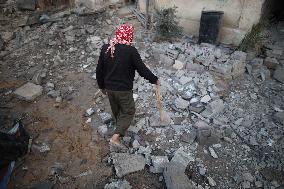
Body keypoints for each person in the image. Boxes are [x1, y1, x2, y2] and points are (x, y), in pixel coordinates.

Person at [96, 24, 159, 145]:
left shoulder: (106, 48)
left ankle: (118, 126)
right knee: (129, 111)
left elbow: (99, 70)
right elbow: (142, 69)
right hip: (124, 89)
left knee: (117, 110)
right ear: (129, 35)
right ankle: (115, 137)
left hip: (109, 88)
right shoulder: (130, 51)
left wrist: (101, 86)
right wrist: (154, 79)